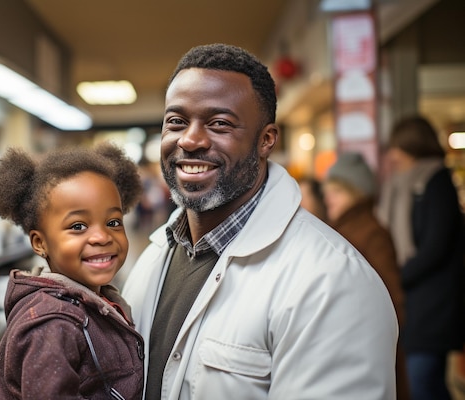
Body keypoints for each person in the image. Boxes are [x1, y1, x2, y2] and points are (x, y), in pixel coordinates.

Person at [122, 43, 398, 399]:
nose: (190, 139)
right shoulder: (155, 254)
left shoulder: (332, 282)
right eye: (176, 121)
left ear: (266, 140)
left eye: (219, 123)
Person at [0, 142, 145, 400]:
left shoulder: (96, 301)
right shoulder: (53, 325)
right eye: (78, 226)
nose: (102, 236)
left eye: (113, 222)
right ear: (40, 243)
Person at [377, 115, 465, 400]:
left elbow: (435, 247)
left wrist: (396, 276)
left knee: (422, 381)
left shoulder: (437, 181)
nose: (392, 154)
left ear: (411, 145)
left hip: (433, 302)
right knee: (421, 382)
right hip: (414, 302)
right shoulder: (400, 183)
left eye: (397, 146)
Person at [323, 152, 409, 399]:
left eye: (337, 191)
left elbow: (394, 304)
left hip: (366, 354)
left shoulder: (372, 234)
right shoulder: (341, 228)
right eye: (328, 190)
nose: (329, 198)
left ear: (357, 193)